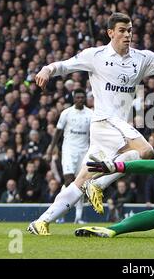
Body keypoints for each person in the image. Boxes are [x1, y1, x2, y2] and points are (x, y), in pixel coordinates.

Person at [28, 12, 154, 235]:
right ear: (110, 33)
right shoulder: (95, 55)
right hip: (104, 121)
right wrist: (47, 69)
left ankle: (41, 222)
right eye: (122, 30)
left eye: (130, 30)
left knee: (82, 178)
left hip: (117, 125)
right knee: (145, 150)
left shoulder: (142, 59)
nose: (127, 35)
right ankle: (99, 185)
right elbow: (64, 66)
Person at [45, 88, 93, 223]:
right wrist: (50, 150)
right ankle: (59, 213)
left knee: (80, 183)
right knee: (68, 181)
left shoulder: (90, 114)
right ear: (73, 98)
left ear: (85, 98)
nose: (80, 99)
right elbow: (58, 133)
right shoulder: (66, 113)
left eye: (82, 97)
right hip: (69, 150)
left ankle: (78, 217)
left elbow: (94, 134)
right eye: (77, 97)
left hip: (84, 151)